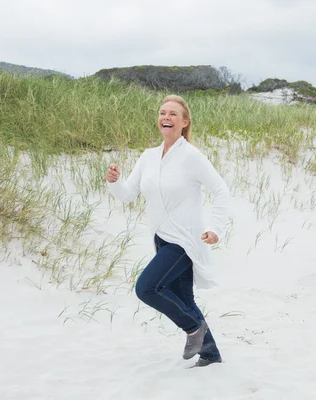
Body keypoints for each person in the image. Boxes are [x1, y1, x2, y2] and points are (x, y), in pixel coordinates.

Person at [105, 95, 230, 366]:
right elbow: (128, 194)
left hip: (185, 240)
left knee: (146, 288)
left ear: (184, 122)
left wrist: (215, 228)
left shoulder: (192, 157)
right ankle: (210, 354)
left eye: (173, 114)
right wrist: (115, 182)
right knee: (184, 298)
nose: (166, 117)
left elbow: (221, 191)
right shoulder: (148, 157)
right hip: (160, 239)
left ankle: (194, 329)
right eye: (163, 113)